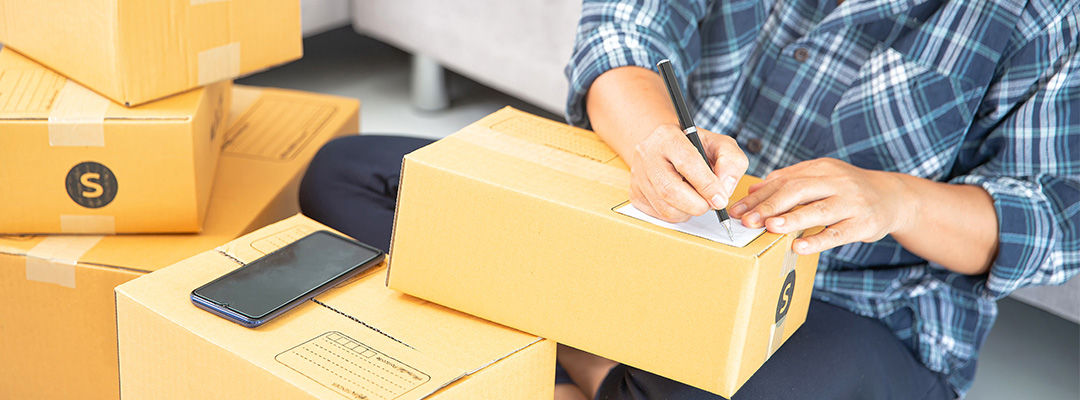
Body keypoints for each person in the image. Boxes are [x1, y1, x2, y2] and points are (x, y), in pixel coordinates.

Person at [300, 0, 1080, 398]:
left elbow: (1054, 219)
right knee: (347, 175)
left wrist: (894, 202)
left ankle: (546, 349)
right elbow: (622, 28)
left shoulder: (1044, 15)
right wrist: (651, 142)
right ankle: (607, 369)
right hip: (654, 239)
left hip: (850, 312)